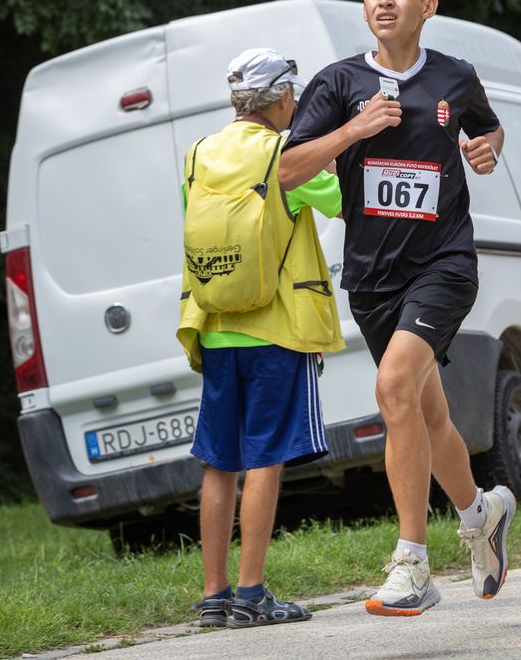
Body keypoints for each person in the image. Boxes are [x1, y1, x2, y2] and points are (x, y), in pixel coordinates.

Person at [279, 0, 513, 617]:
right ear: (365, 6)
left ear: (427, 4)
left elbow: (491, 128)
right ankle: (481, 516)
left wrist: (484, 149)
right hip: (374, 277)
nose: (385, 0)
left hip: (443, 263)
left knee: (390, 386)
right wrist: (353, 131)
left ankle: (413, 562)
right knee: (427, 413)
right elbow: (289, 170)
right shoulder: (338, 84)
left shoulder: (454, 77)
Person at [177, 48, 345, 629]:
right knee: (266, 459)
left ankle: (214, 596)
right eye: (292, 95)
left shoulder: (199, 153)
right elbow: (344, 201)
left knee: (219, 463)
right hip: (277, 329)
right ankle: (252, 595)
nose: (295, 104)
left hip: (217, 328)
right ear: (279, 98)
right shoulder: (285, 154)